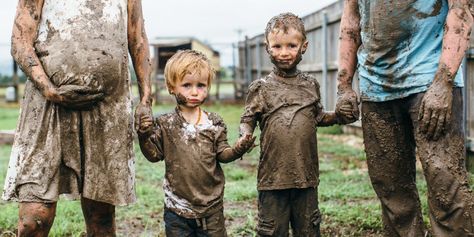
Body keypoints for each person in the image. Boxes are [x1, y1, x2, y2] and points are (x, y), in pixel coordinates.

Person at [2, 0, 153, 236]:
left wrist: (146, 99)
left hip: (107, 109)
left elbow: (138, 38)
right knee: (34, 220)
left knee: (101, 218)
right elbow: (20, 41)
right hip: (46, 107)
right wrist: (49, 90)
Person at [337, 0, 474, 236]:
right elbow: (351, 22)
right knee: (392, 193)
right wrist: (344, 85)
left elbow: (461, 10)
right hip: (375, 88)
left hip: (430, 82)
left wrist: (443, 83)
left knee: (446, 186)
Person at [239, 13, 351, 236]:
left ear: (304, 46)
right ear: (267, 48)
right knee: (272, 231)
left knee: (308, 229)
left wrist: (339, 115)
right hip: (272, 178)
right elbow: (247, 119)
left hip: (306, 177)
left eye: (291, 45)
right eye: (277, 46)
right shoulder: (260, 88)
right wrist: (245, 136)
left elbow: (318, 117)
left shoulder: (310, 85)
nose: (284, 52)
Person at [136, 50, 255, 237]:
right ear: (171, 87)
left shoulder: (214, 122)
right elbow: (153, 156)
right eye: (186, 85)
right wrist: (143, 137)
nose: (194, 92)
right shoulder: (165, 123)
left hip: (211, 208)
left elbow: (222, 154)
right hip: (177, 209)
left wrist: (238, 149)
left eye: (201, 85)